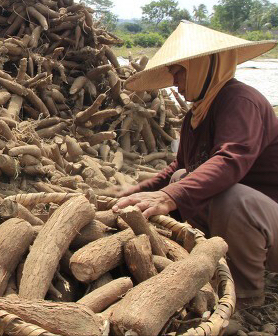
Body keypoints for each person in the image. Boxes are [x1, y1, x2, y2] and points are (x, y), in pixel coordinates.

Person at [112, 21, 278, 307]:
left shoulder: (241, 101)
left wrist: (168, 197)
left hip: (270, 223)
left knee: (232, 198)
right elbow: (181, 165)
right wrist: (135, 193)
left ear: (206, 66)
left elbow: (230, 159)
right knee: (180, 177)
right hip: (253, 226)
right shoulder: (196, 115)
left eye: (180, 72)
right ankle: (209, 261)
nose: (175, 81)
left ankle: (247, 297)